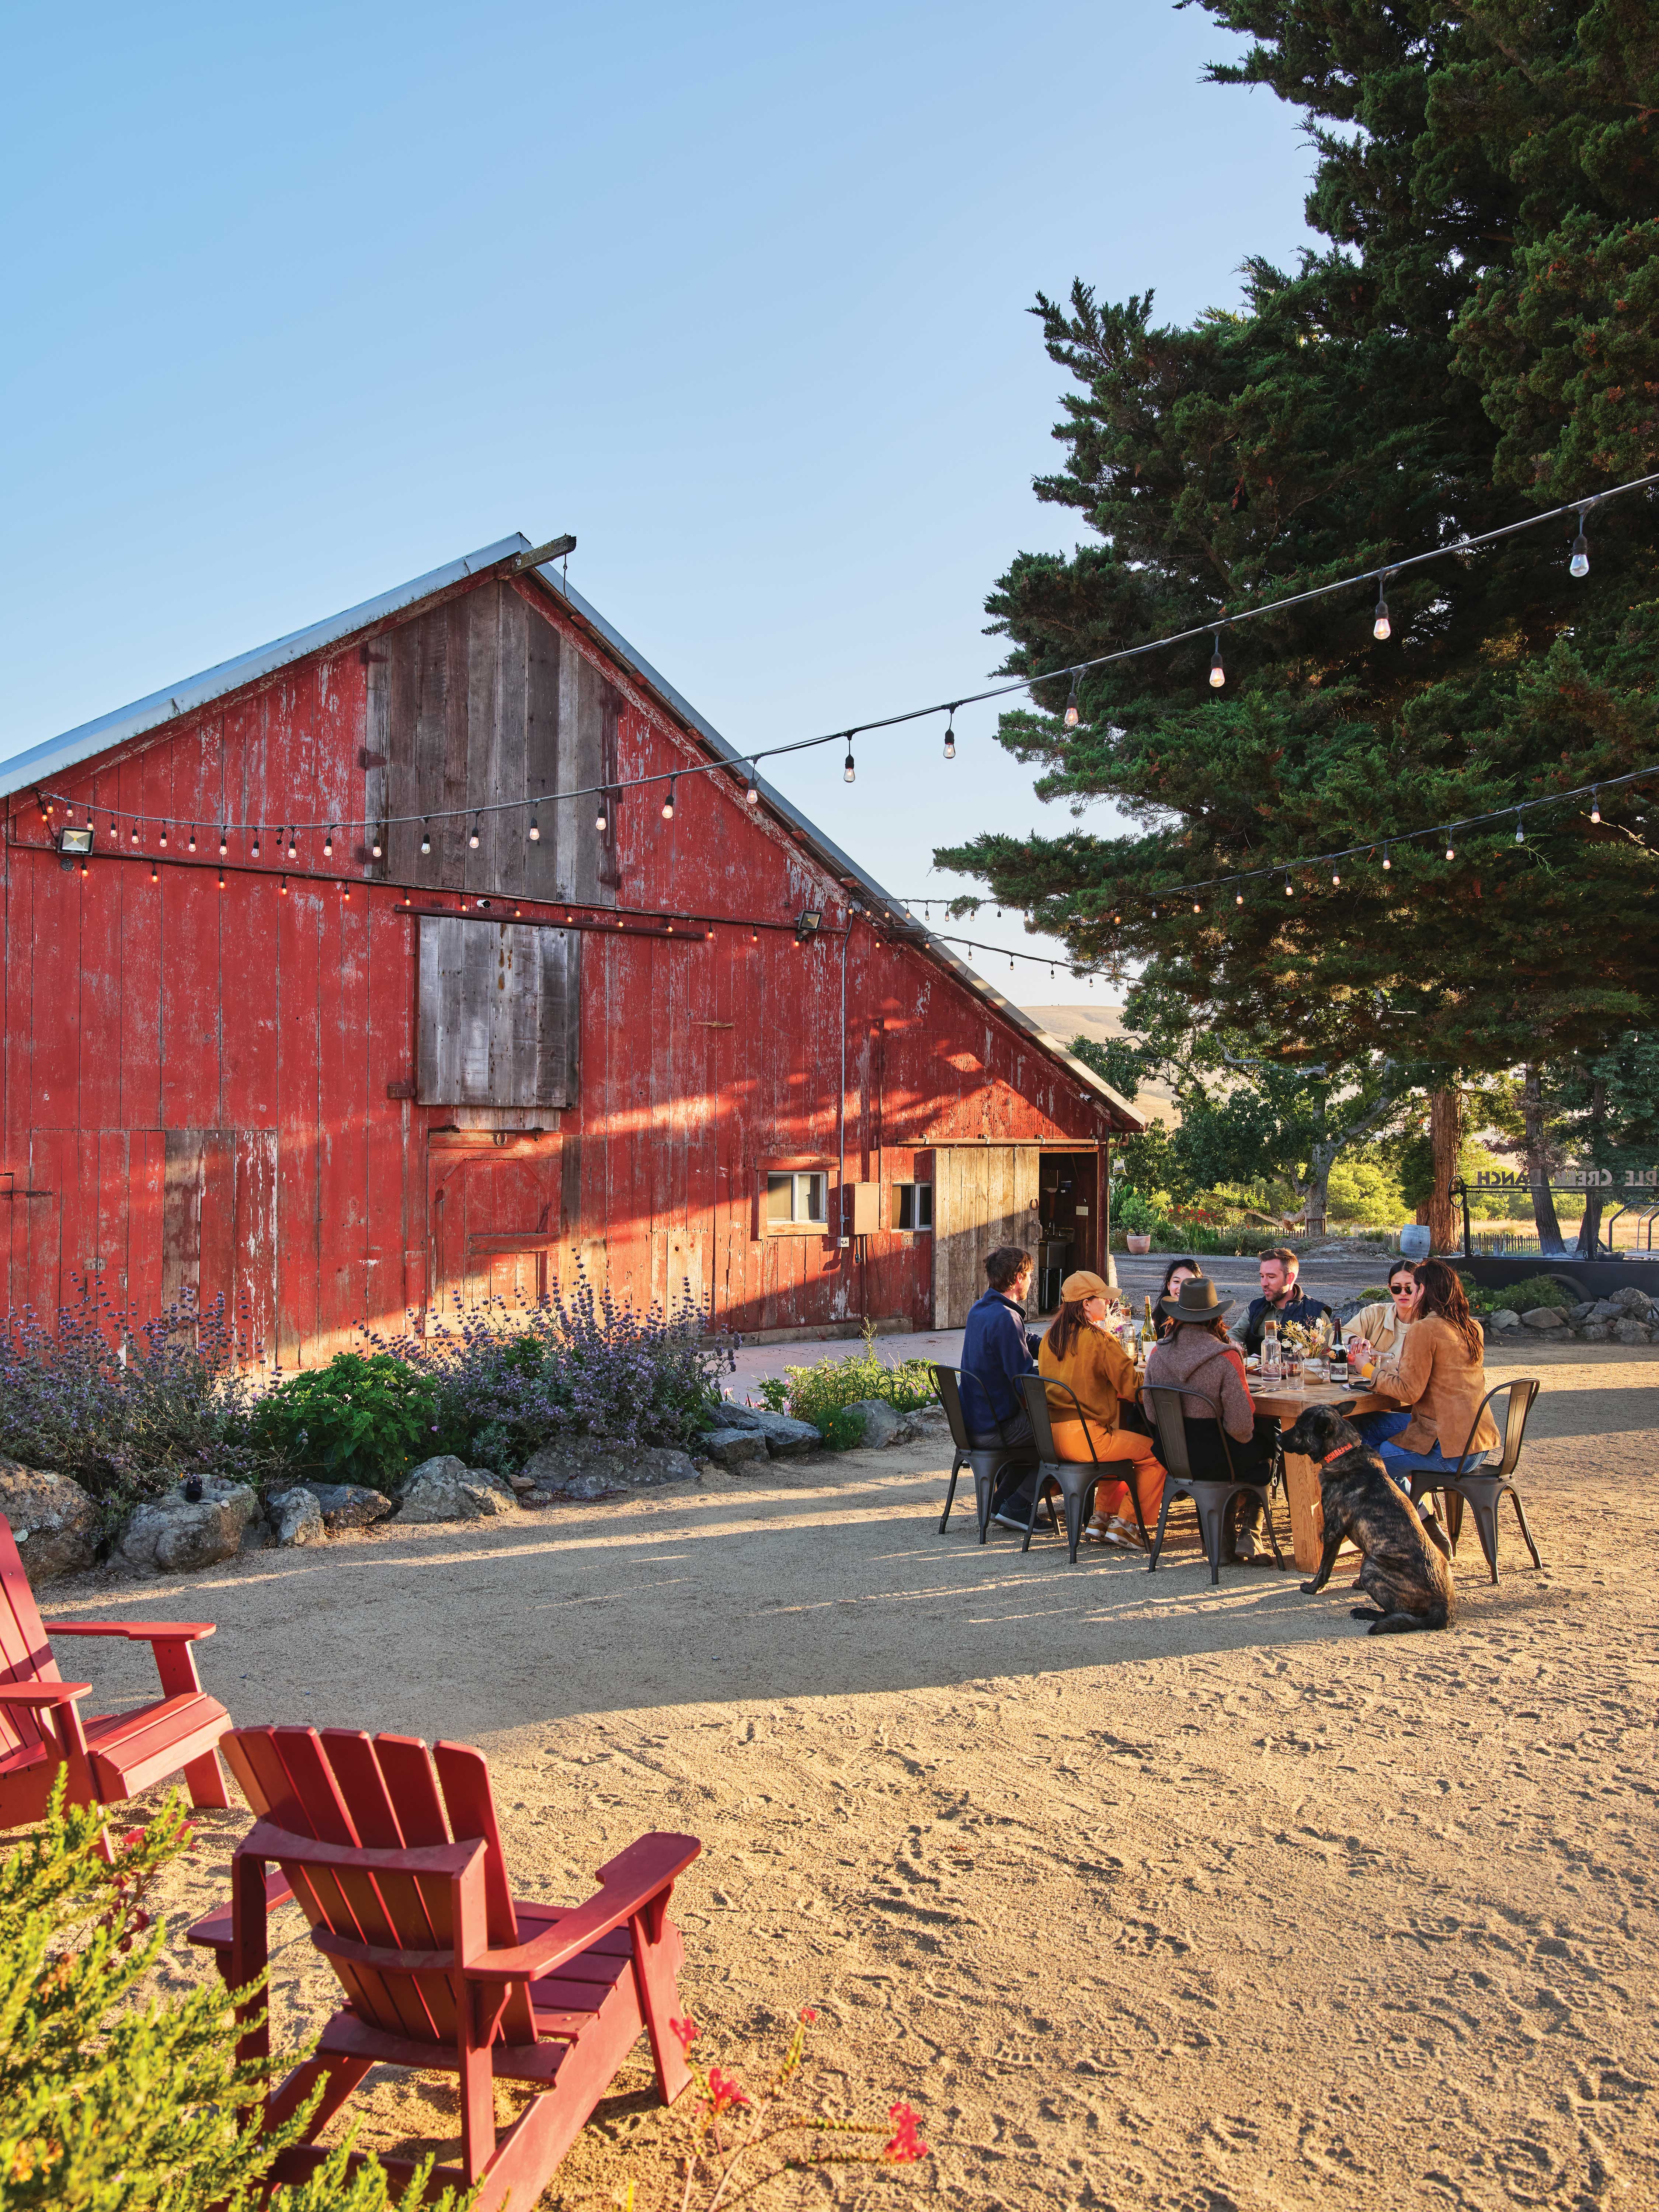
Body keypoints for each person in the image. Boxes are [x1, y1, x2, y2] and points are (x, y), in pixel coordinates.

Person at [1144, 1276, 1277, 1562]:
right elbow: (1241, 1428)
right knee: (1264, 1449)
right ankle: (1249, 1535)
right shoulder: (1226, 1357)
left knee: (1232, 1451)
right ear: (1215, 1316)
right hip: (1218, 1462)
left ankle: (1223, 1545)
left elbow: (1152, 1415)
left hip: (1174, 1459)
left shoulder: (1157, 1353)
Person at [1037, 1270, 1164, 1547]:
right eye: (1103, 1299)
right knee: (1156, 1456)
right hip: (1086, 1440)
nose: (1107, 1304)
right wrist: (1158, 1371)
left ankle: (1101, 1519)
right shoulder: (1099, 1340)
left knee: (1121, 1448)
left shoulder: (1049, 1339)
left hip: (1052, 1439)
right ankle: (1127, 1524)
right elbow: (1133, 1388)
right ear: (1086, 1304)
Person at [1366, 1256, 1499, 1500]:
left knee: (1364, 1462)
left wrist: (1368, 1370)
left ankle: (1418, 1519)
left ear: (1423, 1289)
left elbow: (1408, 1392)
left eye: (1412, 1287)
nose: (1407, 1292)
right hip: (1477, 1443)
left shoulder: (1424, 1328)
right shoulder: (1471, 1326)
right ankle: (1414, 1512)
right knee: (1368, 1426)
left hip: (1450, 1451)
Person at [959, 1244, 1043, 1529]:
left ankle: (1000, 1505)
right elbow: (1024, 1382)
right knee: (1060, 1436)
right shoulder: (1006, 1318)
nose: (1031, 1281)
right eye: (1030, 1275)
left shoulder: (982, 1309)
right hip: (994, 1428)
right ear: (1019, 1278)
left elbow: (1023, 1337)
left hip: (973, 1422)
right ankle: (1018, 1506)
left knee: (1043, 1433)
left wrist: (1055, 1346)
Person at [1341, 1260, 1418, 1448]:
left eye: (1409, 1289)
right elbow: (1339, 1334)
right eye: (1396, 1288)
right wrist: (1354, 1341)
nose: (1403, 1294)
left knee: (1363, 1430)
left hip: (1410, 1402)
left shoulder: (1429, 1325)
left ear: (1421, 1289)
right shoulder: (1374, 1313)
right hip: (1374, 1390)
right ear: (1389, 1288)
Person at [1240, 1247, 1330, 1357]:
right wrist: (1233, 1343)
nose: (1264, 1283)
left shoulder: (1317, 1314)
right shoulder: (1255, 1307)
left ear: (1290, 1278)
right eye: (1262, 1276)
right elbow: (1236, 1333)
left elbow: (1327, 1359)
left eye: (1271, 1277)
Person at [1154, 1257, 1203, 1340]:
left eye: (1189, 1283)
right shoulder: (1158, 1317)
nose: (1182, 1288)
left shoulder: (1208, 1319)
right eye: (1177, 1282)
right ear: (1168, 1285)